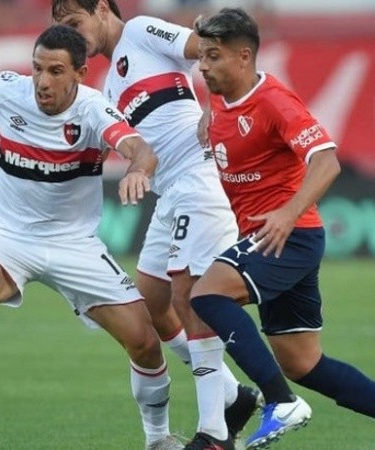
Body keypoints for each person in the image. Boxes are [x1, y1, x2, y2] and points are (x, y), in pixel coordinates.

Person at [0, 25, 185, 450]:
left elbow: (139, 149)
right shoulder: (11, 90)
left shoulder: (93, 110)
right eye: (37, 68)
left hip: (74, 244)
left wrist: (138, 169)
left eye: (55, 71)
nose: (42, 81)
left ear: (80, 74)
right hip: (7, 233)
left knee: (144, 342)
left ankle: (158, 439)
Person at [191, 7, 375, 450]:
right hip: (274, 238)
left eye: (213, 57)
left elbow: (327, 161)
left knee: (207, 294)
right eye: (201, 57)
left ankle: (280, 402)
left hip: (288, 236)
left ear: (244, 57)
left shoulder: (275, 102)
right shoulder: (219, 98)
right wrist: (208, 116)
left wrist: (288, 213)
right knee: (303, 362)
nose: (203, 67)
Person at [51, 1, 262, 448]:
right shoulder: (108, 86)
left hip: (199, 177)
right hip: (169, 194)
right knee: (152, 303)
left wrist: (216, 107)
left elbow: (212, 47)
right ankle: (232, 394)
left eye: (75, 22)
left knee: (191, 299)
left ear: (102, 9)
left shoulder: (142, 31)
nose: (73, 33)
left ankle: (214, 433)